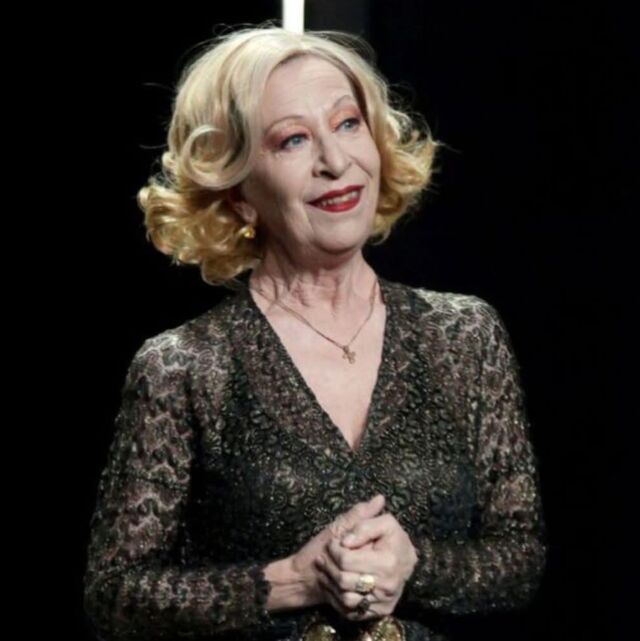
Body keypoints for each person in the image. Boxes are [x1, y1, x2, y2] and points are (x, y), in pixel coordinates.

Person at [82, 23, 547, 641]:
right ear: (239, 193)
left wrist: (415, 566)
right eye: (293, 140)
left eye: (348, 124)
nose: (336, 161)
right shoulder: (184, 365)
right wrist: (295, 580)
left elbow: (520, 558)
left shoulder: (464, 335)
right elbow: (116, 595)